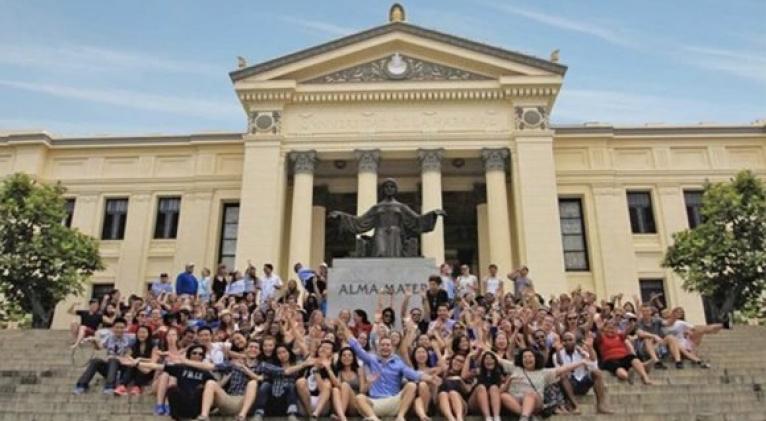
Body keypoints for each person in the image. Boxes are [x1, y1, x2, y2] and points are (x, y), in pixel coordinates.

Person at [337, 321, 441, 421]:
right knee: (359, 398)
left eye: (388, 345)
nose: (385, 347)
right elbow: (357, 347)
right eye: (382, 345)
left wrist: (430, 378)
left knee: (411, 386)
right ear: (378, 347)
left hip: (394, 402)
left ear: (391, 347)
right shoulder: (372, 359)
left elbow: (414, 374)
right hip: (375, 402)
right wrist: (344, 327)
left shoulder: (398, 362)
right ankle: (374, 418)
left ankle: (400, 417)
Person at [499, 348, 589, 421]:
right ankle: (527, 416)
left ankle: (524, 418)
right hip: (516, 400)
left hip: (535, 401)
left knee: (529, 394)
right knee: (503, 395)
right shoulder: (515, 368)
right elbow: (498, 359)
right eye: (524, 357)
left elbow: (563, 369)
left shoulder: (543, 372)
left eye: (530, 356)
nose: (527, 359)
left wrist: (581, 362)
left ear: (535, 358)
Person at [196, 340, 261, 421]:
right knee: (210, 383)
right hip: (229, 398)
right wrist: (186, 361)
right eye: (251, 347)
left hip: (245, 401)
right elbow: (213, 366)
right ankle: (204, 416)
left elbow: (260, 378)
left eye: (256, 348)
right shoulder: (233, 364)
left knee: (253, 383)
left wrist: (245, 369)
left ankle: (241, 416)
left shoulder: (262, 366)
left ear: (259, 352)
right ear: (246, 350)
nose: (253, 349)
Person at [555, 332, 612, 414]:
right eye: (565, 340)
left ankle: (600, 406)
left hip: (583, 381)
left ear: (575, 341)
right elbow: (559, 370)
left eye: (570, 340)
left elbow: (594, 367)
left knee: (597, 373)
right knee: (562, 376)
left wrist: (590, 348)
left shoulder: (581, 351)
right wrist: (557, 352)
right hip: (569, 385)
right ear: (562, 342)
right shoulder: (558, 354)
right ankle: (576, 406)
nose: (568, 342)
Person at [73, 317, 133, 395]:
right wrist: (94, 341)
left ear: (125, 328)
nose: (119, 330)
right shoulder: (109, 337)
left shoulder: (130, 338)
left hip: (123, 368)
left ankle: (110, 387)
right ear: (113, 328)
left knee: (113, 359)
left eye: (121, 328)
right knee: (96, 361)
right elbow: (99, 347)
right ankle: (81, 385)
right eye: (117, 327)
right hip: (110, 368)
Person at [115, 324, 156, 396]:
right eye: (139, 332)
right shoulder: (134, 344)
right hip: (134, 367)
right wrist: (132, 360)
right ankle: (122, 386)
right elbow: (127, 355)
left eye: (144, 332)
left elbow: (153, 360)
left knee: (139, 365)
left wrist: (139, 359)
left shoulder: (153, 345)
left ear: (148, 334)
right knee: (132, 365)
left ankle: (137, 387)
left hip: (148, 369)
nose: (141, 334)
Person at [330, 346, 368, 421]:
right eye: (344, 355)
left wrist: (369, 382)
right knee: (335, 390)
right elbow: (337, 385)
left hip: (355, 404)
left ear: (353, 358)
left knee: (344, 385)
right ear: (340, 358)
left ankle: (341, 417)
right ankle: (342, 416)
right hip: (340, 405)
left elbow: (362, 391)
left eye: (349, 355)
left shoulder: (359, 370)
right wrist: (329, 369)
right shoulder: (339, 371)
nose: (346, 357)